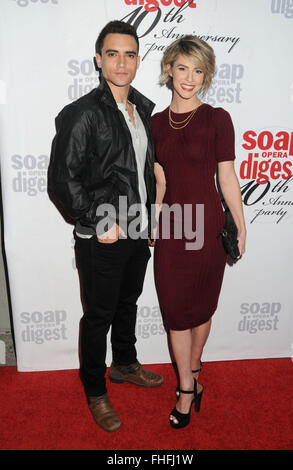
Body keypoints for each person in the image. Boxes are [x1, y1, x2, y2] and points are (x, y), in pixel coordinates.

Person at [47, 20, 163, 433]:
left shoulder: (143, 110)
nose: (121, 62)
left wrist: (148, 219)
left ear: (137, 61)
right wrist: (98, 221)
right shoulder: (82, 114)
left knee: (127, 303)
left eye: (130, 54)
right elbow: (62, 181)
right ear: (98, 59)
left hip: (136, 228)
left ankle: (125, 364)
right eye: (112, 53)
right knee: (98, 315)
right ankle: (95, 388)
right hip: (102, 234)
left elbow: (142, 174)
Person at [151, 35, 246, 429]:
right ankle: (187, 389)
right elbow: (160, 181)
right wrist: (154, 223)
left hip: (207, 226)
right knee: (175, 314)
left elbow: (227, 176)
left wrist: (239, 225)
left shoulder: (217, 118)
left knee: (203, 306)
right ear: (169, 69)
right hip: (174, 229)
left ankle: (191, 370)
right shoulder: (155, 123)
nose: (189, 78)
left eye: (198, 70)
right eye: (183, 67)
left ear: (205, 76)